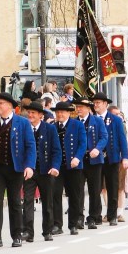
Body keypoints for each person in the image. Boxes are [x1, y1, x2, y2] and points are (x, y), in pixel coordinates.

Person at [0, 92, 36, 248]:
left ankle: (17, 234)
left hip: (15, 168)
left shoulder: (23, 123)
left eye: (0, 103)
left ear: (10, 107)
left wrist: (29, 166)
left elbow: (30, 146)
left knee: (14, 201)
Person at [21, 100, 60, 243]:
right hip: (29, 170)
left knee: (47, 201)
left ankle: (47, 231)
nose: (30, 115)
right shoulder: (24, 128)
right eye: (29, 112)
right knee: (27, 201)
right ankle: (27, 231)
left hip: (46, 170)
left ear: (40, 115)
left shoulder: (49, 129)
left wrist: (55, 167)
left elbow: (56, 150)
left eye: (33, 113)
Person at [95, 93, 128, 226]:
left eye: (99, 102)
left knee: (113, 187)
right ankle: (96, 215)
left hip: (112, 157)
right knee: (96, 187)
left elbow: (122, 139)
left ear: (105, 104)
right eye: (95, 103)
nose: (96, 105)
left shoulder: (115, 120)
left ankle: (112, 215)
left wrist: (125, 157)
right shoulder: (92, 119)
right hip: (95, 159)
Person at [52, 100, 85, 235]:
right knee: (55, 194)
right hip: (58, 167)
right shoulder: (52, 127)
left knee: (74, 195)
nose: (59, 114)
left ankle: (73, 224)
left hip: (73, 166)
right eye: (57, 112)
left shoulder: (77, 125)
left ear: (68, 113)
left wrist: (77, 157)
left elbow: (83, 143)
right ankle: (57, 224)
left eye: (62, 112)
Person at [75, 98, 108, 229]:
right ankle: (78, 217)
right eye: (77, 107)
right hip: (79, 160)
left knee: (94, 189)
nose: (78, 109)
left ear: (89, 108)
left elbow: (104, 137)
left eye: (81, 107)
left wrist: (97, 149)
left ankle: (94, 217)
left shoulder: (97, 121)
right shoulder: (74, 122)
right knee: (78, 189)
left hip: (94, 159)